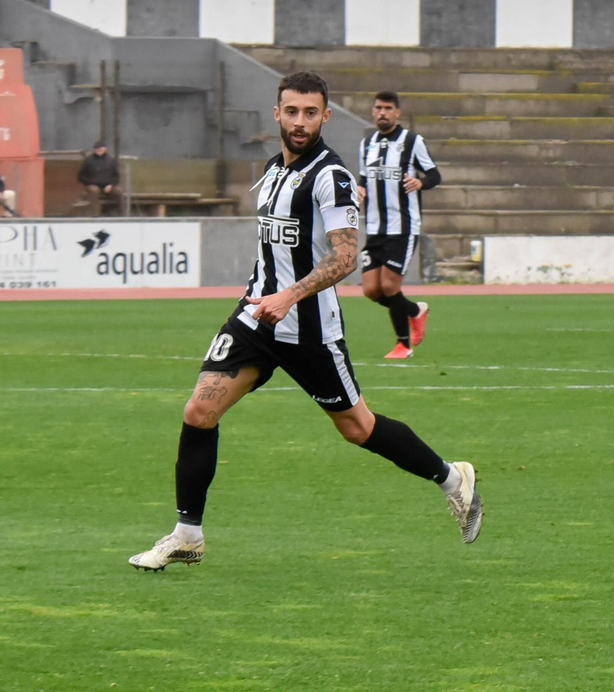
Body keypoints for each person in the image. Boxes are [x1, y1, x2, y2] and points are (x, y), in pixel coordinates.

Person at [128, 71, 482, 572]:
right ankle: (188, 534)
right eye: (291, 111)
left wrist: (290, 296)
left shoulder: (331, 176)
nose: (299, 121)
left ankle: (453, 478)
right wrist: (264, 298)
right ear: (277, 113)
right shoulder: (273, 171)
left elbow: (346, 258)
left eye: (310, 112)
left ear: (325, 116)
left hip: (308, 328)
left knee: (359, 429)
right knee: (198, 412)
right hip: (255, 318)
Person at [355, 90, 440, 359]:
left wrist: (420, 182)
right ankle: (415, 310)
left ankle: (403, 345)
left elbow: (435, 174)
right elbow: (363, 177)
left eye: (388, 108)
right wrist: (359, 188)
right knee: (371, 289)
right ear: (373, 111)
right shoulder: (366, 144)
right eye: (378, 108)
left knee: (390, 287)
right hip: (375, 228)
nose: (382, 112)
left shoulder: (412, 142)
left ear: (397, 112)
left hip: (402, 226)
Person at [77, 140, 119, 216]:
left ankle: (123, 215)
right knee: (94, 191)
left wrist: (111, 185)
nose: (99, 150)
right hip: (93, 184)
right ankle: (95, 215)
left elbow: (116, 176)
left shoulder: (111, 160)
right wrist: (89, 183)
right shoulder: (88, 160)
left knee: (119, 192)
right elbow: (80, 176)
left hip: (108, 185)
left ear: (105, 149)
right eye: (97, 148)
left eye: (101, 148)